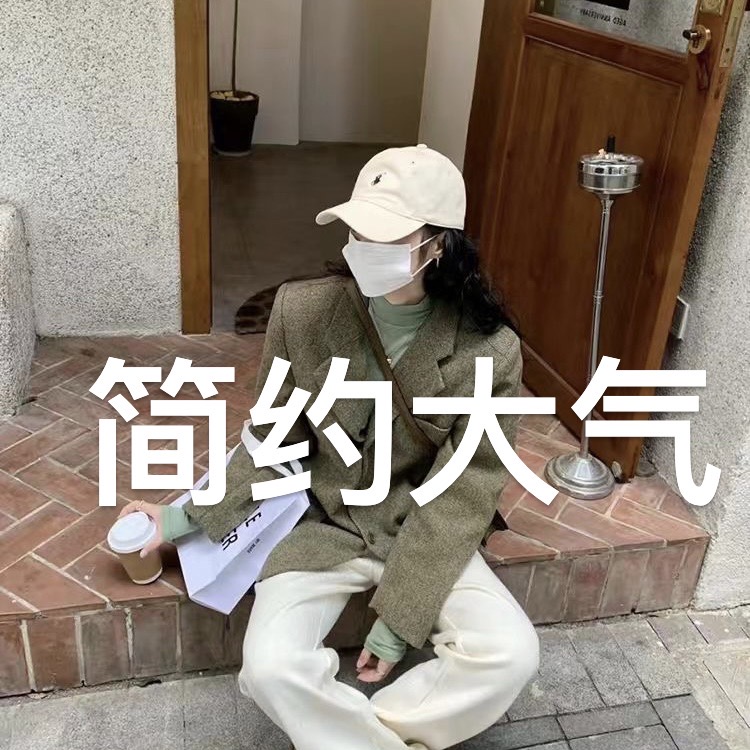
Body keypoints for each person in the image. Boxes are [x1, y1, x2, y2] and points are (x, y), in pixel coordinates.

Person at [120, 144, 539, 750]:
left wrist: (399, 619)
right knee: (270, 667)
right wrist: (183, 517)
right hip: (323, 522)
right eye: (358, 230)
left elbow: (467, 488)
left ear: (439, 245)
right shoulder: (303, 311)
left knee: (510, 653)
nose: (364, 247)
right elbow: (272, 437)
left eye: (387, 236)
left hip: (420, 529)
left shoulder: (490, 349)